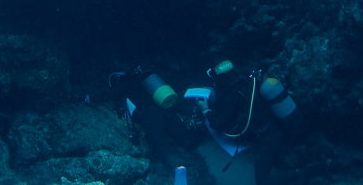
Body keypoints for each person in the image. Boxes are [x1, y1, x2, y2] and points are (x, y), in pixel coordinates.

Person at [110, 59, 307, 184]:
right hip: (276, 129)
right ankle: (296, 169)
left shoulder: (231, 95)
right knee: (277, 160)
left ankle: (304, 174)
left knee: (263, 180)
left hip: (266, 138)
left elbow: (219, 123)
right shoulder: (247, 83)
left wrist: (206, 110)